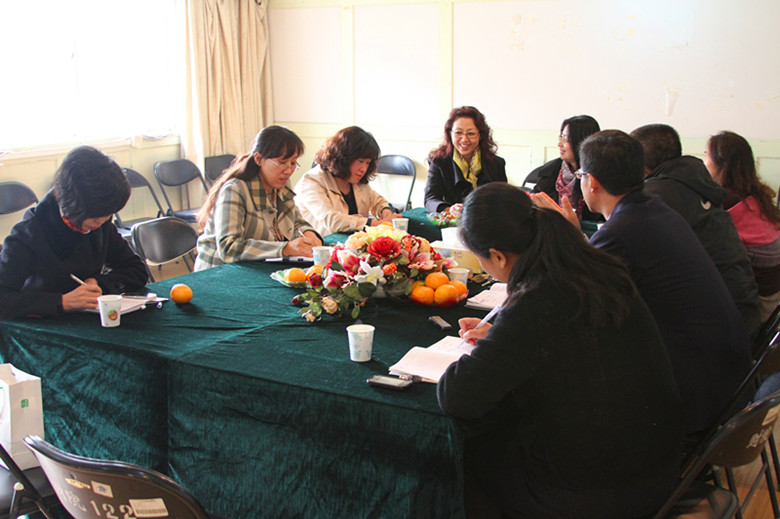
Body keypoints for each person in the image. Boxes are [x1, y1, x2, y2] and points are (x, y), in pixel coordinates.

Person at [438, 183, 683, 519]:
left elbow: (458, 397)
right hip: (660, 468)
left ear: (498, 256)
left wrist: (494, 345)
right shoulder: (597, 268)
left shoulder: (538, 298)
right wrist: (501, 338)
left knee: (461, 459)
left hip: (597, 492)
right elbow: (573, 340)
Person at [532, 130, 751, 436]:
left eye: (580, 175)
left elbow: (574, 299)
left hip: (692, 395)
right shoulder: (654, 210)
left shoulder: (622, 229)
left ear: (591, 182)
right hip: (728, 378)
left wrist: (562, 235)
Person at [631, 124, 761, 339]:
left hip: (718, 331)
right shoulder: (697, 183)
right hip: (745, 311)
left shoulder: (654, 195)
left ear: (640, 164)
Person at [0, 146, 148, 320]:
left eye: (108, 214)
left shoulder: (100, 221)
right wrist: (62, 302)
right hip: (40, 325)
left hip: (87, 320)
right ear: (73, 206)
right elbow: (4, 298)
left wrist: (99, 283)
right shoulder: (28, 233)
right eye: (96, 217)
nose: (101, 222)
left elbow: (137, 270)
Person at [195, 126, 322, 270]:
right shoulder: (235, 189)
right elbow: (228, 247)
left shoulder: (281, 184)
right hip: (219, 271)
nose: (288, 171)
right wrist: (285, 248)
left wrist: (309, 234)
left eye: (293, 163)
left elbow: (296, 221)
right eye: (282, 163)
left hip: (256, 266)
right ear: (258, 159)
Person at [704, 131, 780, 324]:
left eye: (706, 155)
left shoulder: (725, 201)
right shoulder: (754, 193)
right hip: (772, 295)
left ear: (722, 164)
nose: (703, 163)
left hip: (758, 305)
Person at [294, 126, 401, 236]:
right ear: (344, 158)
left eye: (367, 163)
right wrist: (373, 224)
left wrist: (385, 211)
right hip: (320, 244)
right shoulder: (312, 180)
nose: (364, 169)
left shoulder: (357, 181)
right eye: (360, 161)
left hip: (351, 242)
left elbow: (377, 200)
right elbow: (331, 219)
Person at [424, 106, 506, 214]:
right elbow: (430, 199)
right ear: (450, 133)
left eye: (471, 133)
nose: (464, 139)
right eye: (458, 133)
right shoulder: (439, 161)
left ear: (480, 135)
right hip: (451, 221)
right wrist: (450, 210)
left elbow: (503, 200)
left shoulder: (496, 163)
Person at [529, 115, 602, 221]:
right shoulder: (551, 170)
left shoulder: (596, 176)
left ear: (581, 142)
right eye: (560, 138)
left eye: (566, 139)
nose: (559, 144)